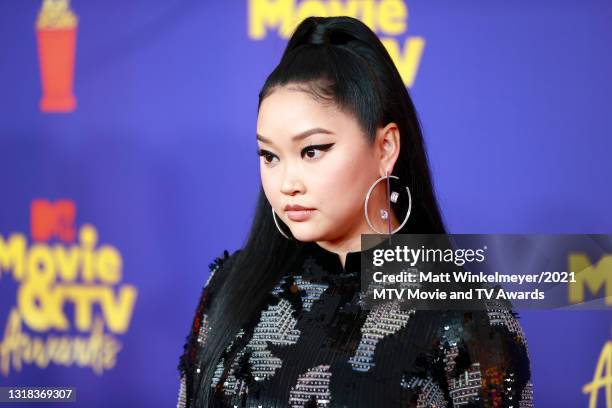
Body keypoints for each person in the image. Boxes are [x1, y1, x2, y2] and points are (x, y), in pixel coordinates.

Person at [177, 16, 532, 408]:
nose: (286, 182)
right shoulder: (228, 287)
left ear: (385, 148)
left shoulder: (466, 315)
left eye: (312, 151)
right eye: (269, 155)